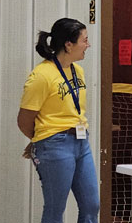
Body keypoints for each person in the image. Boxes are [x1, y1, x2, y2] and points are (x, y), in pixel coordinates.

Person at [17, 18, 99, 223]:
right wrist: (42, 140)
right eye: (84, 40)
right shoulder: (41, 75)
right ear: (68, 45)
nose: (88, 45)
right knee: (55, 208)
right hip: (55, 144)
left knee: (91, 205)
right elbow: (24, 119)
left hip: (81, 142)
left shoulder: (77, 70)